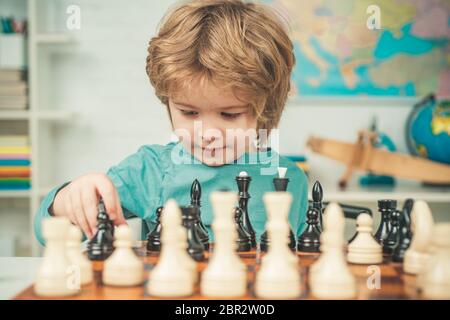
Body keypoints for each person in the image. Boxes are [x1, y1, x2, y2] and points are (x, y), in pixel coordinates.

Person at [34, 0, 308, 245]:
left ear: (266, 108)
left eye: (229, 114)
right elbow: (47, 231)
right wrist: (68, 199)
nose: (208, 133)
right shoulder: (149, 171)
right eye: (189, 113)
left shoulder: (289, 178)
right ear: (168, 102)